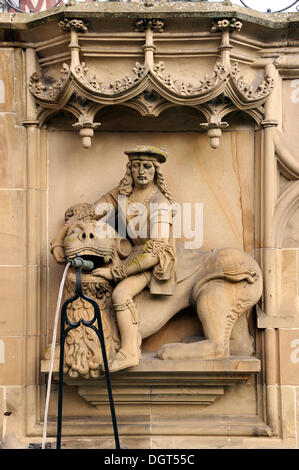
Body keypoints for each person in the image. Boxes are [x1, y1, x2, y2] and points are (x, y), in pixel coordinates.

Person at [51, 146, 176, 372]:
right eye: (136, 165)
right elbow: (89, 213)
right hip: (129, 253)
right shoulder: (122, 193)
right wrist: (59, 241)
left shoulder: (160, 203)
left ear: (156, 171)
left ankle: (129, 351)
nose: (141, 171)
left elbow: (155, 251)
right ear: (129, 168)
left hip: (150, 260)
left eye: (147, 166)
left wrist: (115, 273)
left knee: (121, 293)